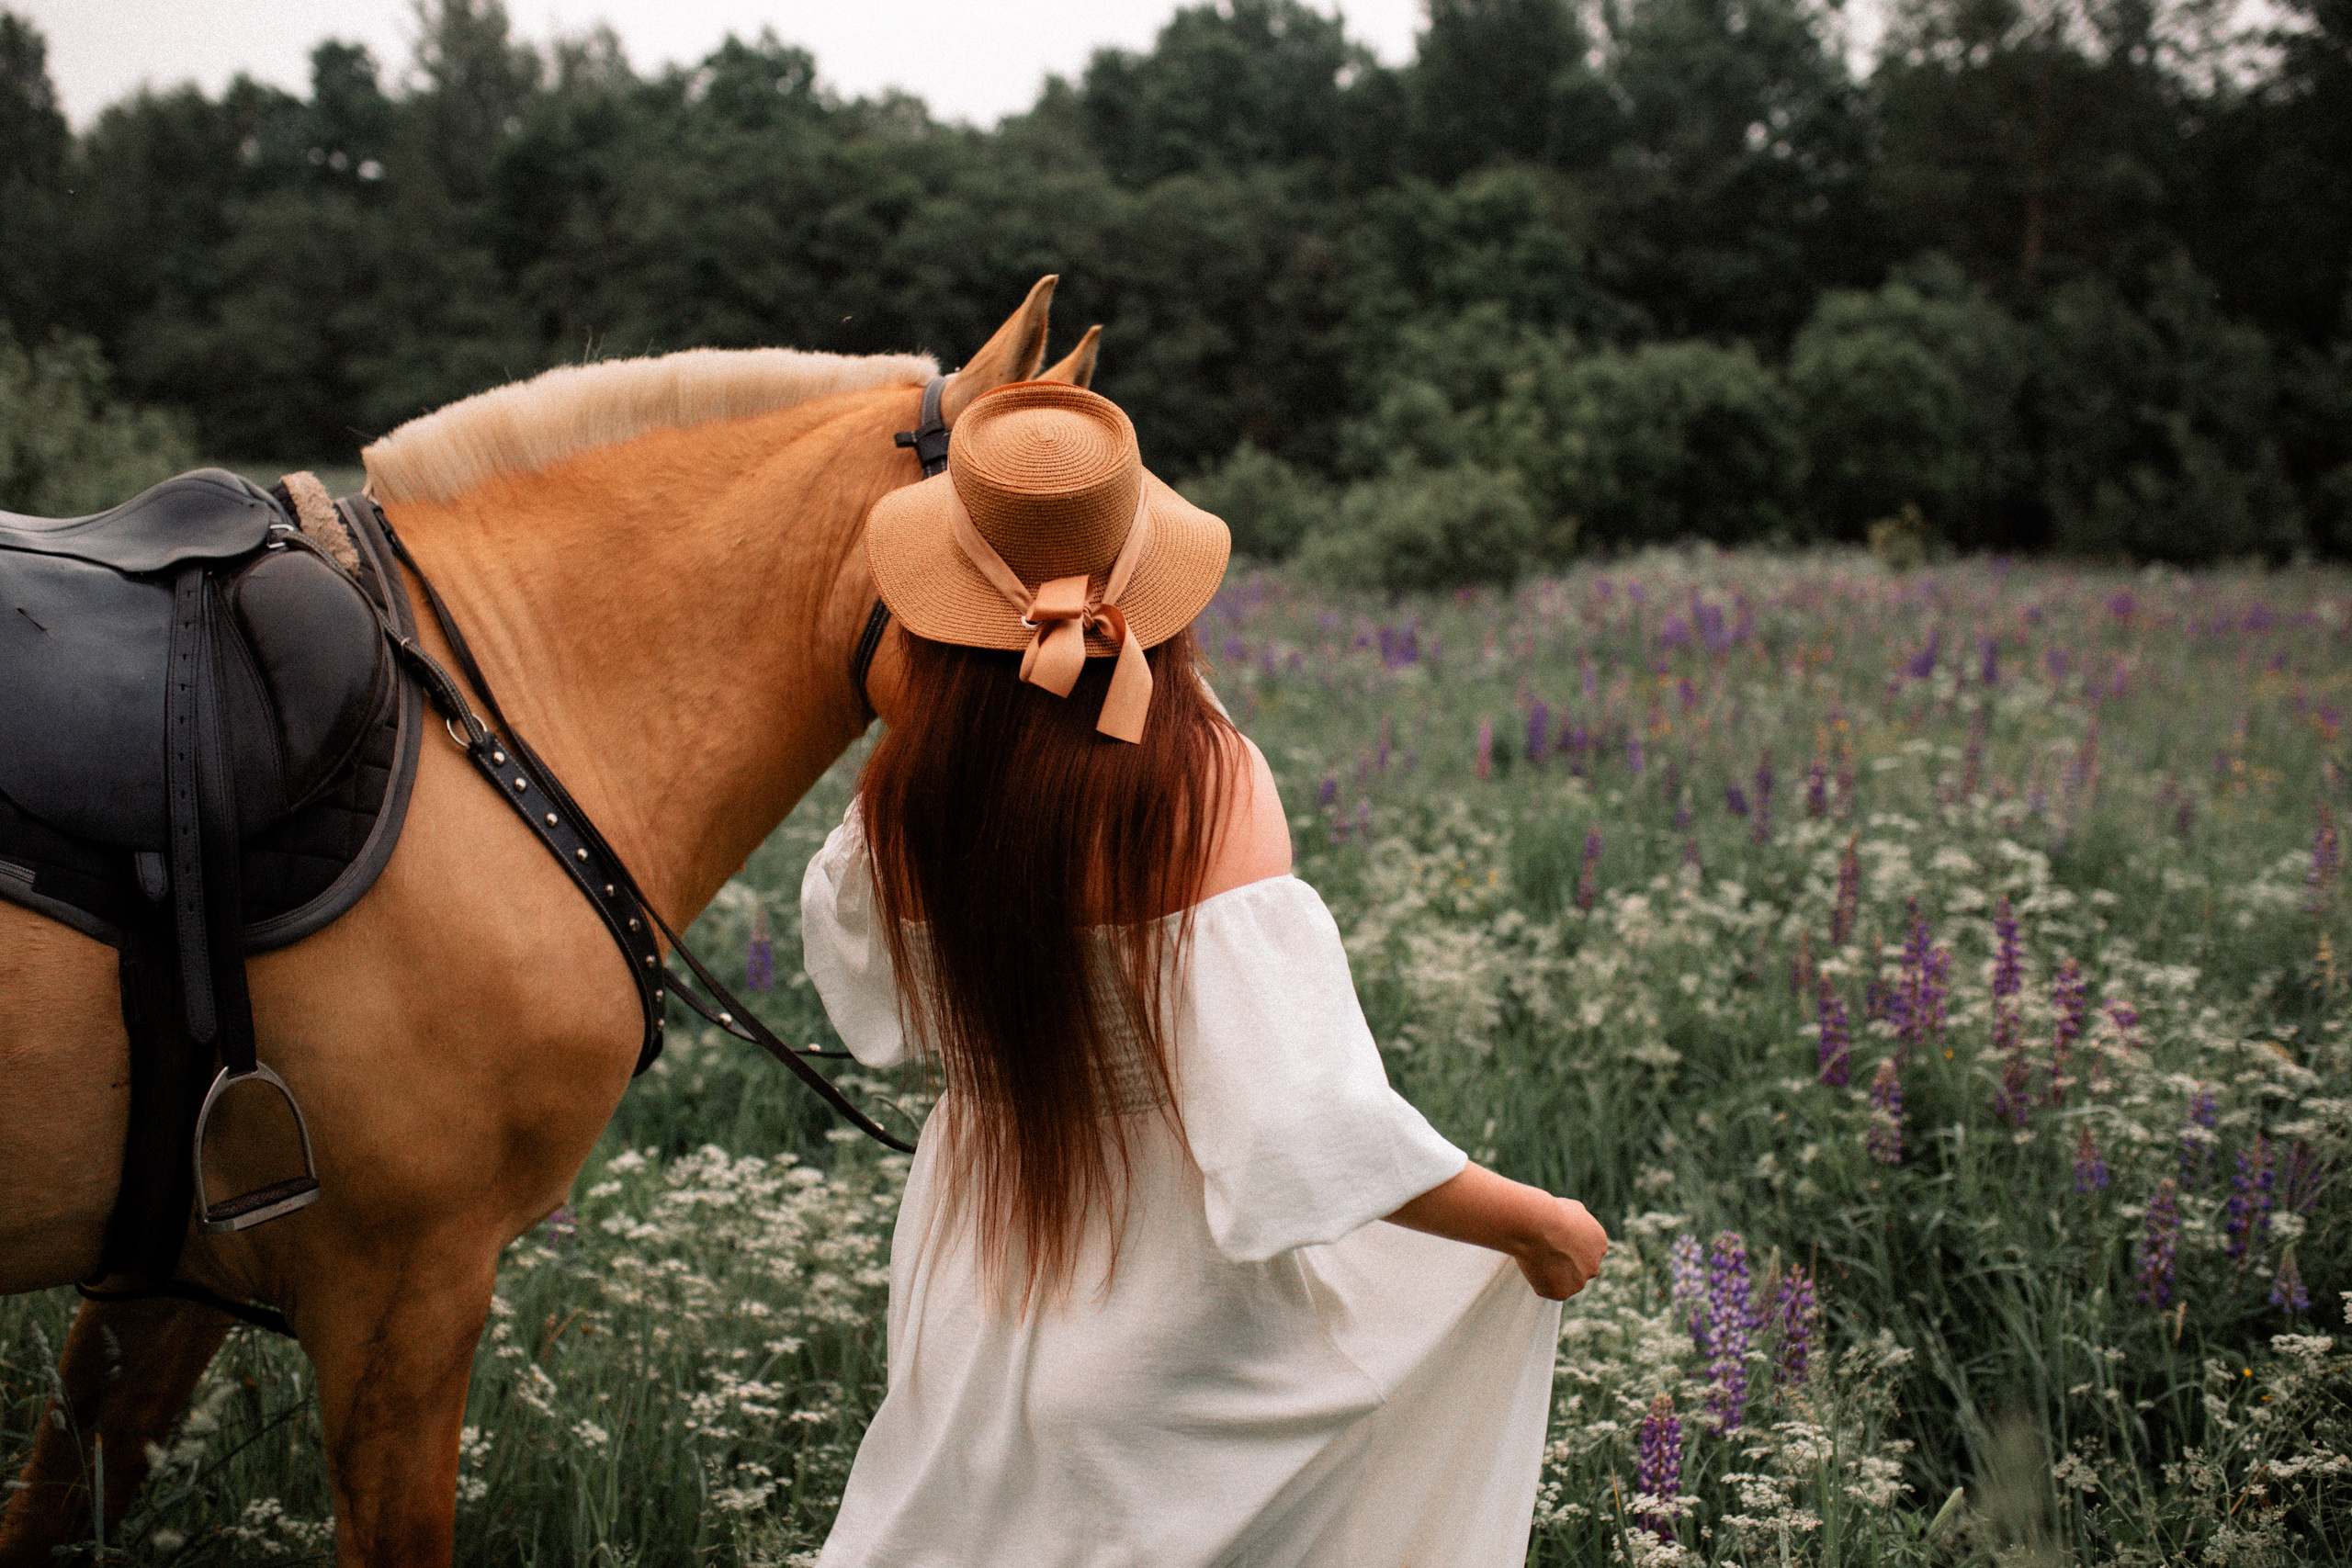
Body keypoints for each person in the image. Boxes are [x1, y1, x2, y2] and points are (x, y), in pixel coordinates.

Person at [803, 381, 1610, 1567]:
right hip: (1175, 1296)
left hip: (980, 1263)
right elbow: (1297, 1129)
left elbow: (881, 1021)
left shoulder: (897, 805)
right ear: (1147, 579)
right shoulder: (1202, 780)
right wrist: (1536, 1226)